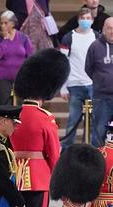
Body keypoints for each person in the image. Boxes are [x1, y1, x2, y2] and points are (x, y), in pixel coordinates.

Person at [10, 48, 67, 207]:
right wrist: (61, 179)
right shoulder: (45, 118)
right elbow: (54, 153)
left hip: (16, 176)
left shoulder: (14, 115)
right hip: (39, 177)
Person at [59, 7, 97, 149]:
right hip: (74, 84)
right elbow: (63, 62)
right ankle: (67, 150)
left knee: (93, 121)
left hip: (92, 84)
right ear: (78, 19)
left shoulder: (97, 37)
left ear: (92, 21)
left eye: (88, 18)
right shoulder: (69, 37)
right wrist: (63, 87)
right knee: (73, 120)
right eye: (83, 18)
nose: (86, 21)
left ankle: (90, 149)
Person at [0, 10, 34, 105]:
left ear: (13, 23)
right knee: (4, 106)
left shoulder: (23, 38)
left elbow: (30, 58)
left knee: (20, 106)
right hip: (2, 79)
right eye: (1, 23)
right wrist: (5, 39)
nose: (3, 26)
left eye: (5, 23)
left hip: (20, 78)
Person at [85, 17, 113, 147]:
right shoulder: (95, 46)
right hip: (102, 98)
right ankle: (97, 164)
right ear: (103, 29)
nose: (112, 31)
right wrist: (102, 82)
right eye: (109, 28)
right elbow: (88, 68)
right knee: (99, 132)